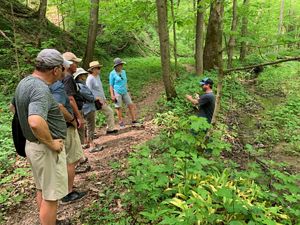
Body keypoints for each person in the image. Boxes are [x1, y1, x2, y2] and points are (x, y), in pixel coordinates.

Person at [14, 49, 68, 225]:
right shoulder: (40, 89)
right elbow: (35, 121)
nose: (63, 71)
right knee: (51, 197)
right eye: (62, 68)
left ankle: (49, 220)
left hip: (33, 146)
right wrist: (51, 143)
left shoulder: (24, 83)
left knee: (42, 190)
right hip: (44, 149)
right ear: (55, 70)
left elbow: (13, 108)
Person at [49, 61, 86, 204]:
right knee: (71, 160)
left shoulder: (39, 85)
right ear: (58, 69)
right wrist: (73, 119)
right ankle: (67, 193)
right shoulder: (60, 84)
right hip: (65, 127)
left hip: (52, 129)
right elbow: (64, 103)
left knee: (61, 160)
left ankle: (61, 191)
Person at [74, 68, 104, 152]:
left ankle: (87, 142)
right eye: (83, 75)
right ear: (80, 77)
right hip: (88, 108)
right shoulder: (81, 86)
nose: (85, 76)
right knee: (91, 126)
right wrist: (96, 98)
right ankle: (91, 145)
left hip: (86, 108)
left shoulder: (79, 85)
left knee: (87, 126)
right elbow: (89, 97)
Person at [87, 61, 118, 134]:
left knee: (109, 111)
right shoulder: (90, 78)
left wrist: (104, 98)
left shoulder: (97, 76)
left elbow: (100, 89)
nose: (99, 69)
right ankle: (92, 133)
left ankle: (110, 129)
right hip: (94, 100)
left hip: (101, 100)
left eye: (99, 68)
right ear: (93, 69)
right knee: (93, 117)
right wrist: (95, 98)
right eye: (98, 68)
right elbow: (88, 91)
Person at [109, 58, 140, 128]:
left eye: (122, 65)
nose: (121, 66)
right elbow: (111, 85)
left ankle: (134, 120)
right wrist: (112, 95)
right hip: (117, 92)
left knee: (130, 105)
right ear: (116, 66)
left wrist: (128, 90)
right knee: (118, 107)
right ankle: (121, 122)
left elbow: (125, 82)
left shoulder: (123, 72)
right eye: (120, 65)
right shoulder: (112, 73)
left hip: (125, 91)